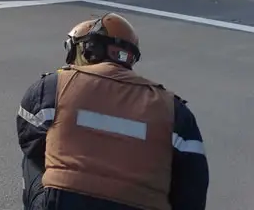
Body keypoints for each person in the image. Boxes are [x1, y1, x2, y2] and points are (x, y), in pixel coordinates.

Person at [16, 12, 209, 210]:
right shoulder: (173, 109)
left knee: (32, 158)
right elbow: (193, 186)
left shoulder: (52, 87)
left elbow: (28, 138)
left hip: (63, 203)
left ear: (88, 50)